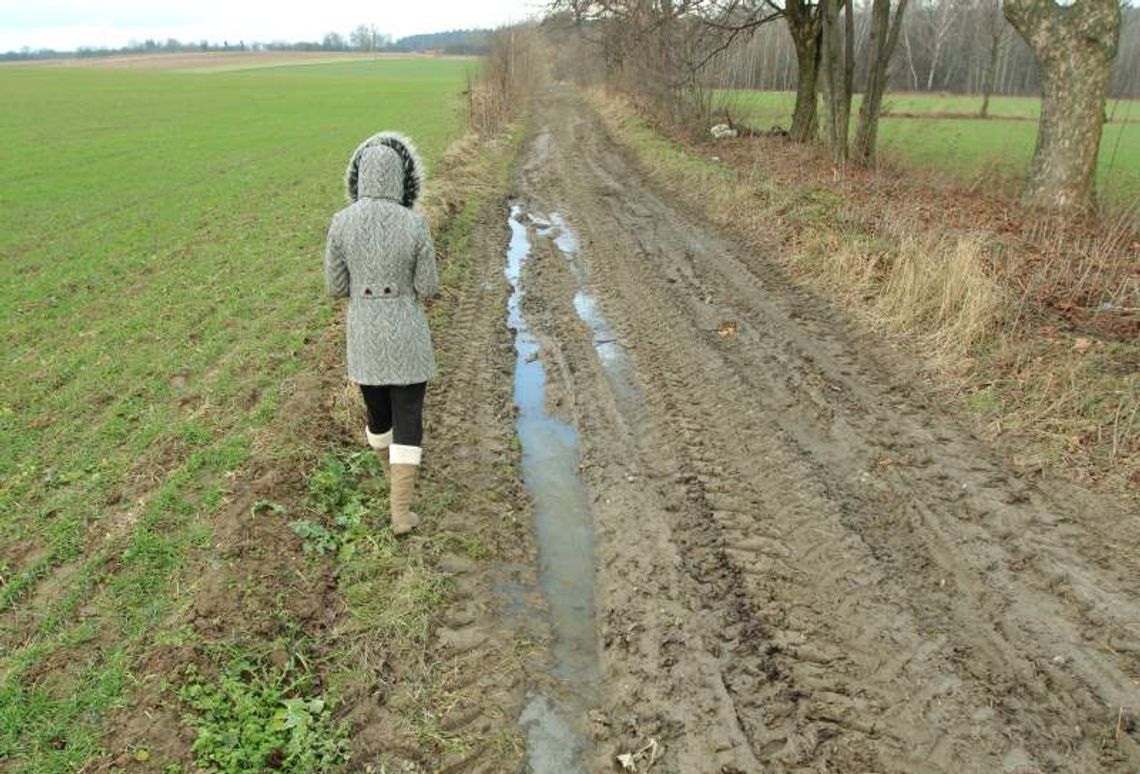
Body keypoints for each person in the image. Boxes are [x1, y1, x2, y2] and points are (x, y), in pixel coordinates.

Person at [324, 132, 439, 535]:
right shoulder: (415, 223)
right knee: (409, 417)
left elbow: (336, 287)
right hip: (407, 333)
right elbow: (429, 286)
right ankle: (401, 513)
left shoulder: (340, 223)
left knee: (379, 417)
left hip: (364, 338)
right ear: (398, 176)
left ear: (360, 176)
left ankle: (393, 484)